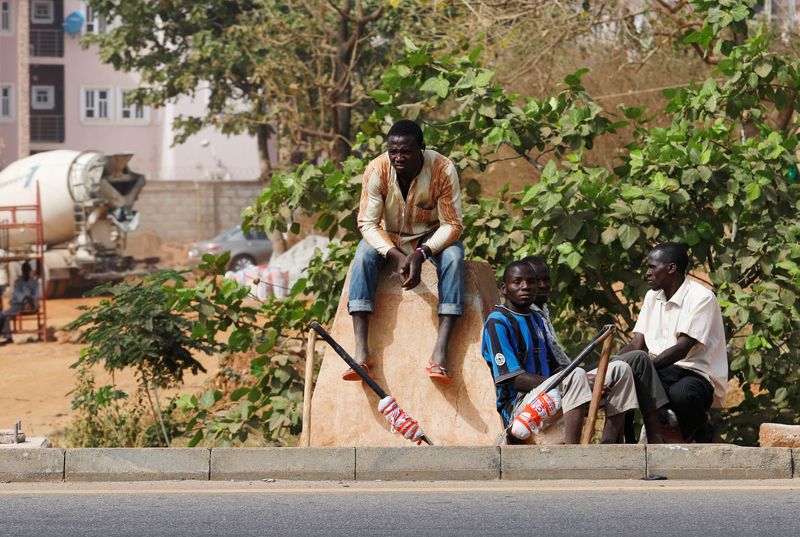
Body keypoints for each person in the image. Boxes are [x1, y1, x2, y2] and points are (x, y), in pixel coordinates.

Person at [345, 119, 464, 384]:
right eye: (393, 151)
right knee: (363, 255)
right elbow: (367, 223)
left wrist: (421, 254)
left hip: (432, 236)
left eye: (406, 151)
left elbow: (453, 224)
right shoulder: (377, 169)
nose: (398, 157)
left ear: (421, 148)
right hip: (390, 238)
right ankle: (361, 353)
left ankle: (440, 354)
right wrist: (397, 255)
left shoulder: (443, 169)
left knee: (455, 257)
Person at [482, 260, 637, 443]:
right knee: (575, 374)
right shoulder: (498, 323)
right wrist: (569, 380)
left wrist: (577, 379)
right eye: (517, 282)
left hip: (552, 391)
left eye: (531, 282)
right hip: (520, 404)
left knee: (620, 369)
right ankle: (573, 452)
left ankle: (609, 444)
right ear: (504, 288)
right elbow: (515, 380)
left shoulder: (536, 319)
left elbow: (555, 367)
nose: (526, 287)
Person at [614, 242, 728, 443]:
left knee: (681, 393)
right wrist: (608, 368)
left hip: (693, 372)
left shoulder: (702, 298)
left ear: (671, 268)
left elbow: (682, 348)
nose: (646, 273)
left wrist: (644, 370)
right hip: (659, 371)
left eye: (652, 267)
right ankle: (629, 441)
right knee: (623, 380)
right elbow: (636, 344)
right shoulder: (652, 297)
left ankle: (699, 427)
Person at [0, 261, 40, 345]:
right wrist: (25, 301)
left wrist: (29, 302)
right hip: (18, 305)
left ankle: (6, 335)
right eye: (24, 270)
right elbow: (18, 294)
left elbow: (37, 295)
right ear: (22, 271)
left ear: (29, 271)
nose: (25, 271)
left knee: (3, 315)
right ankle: (8, 337)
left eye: (27, 270)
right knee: (5, 316)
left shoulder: (34, 282)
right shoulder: (18, 282)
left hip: (32, 305)